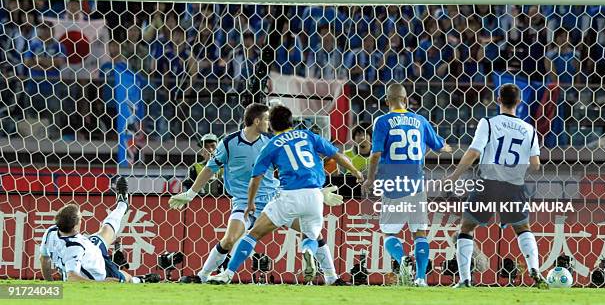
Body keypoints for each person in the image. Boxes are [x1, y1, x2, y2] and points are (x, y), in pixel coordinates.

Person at [169, 104, 346, 285]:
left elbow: (295, 166)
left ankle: (332, 278)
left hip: (275, 200)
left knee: (313, 234)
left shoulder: (271, 142)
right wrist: (191, 193)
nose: (269, 123)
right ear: (257, 121)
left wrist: (317, 191)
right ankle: (202, 276)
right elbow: (209, 169)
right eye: (267, 119)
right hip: (244, 203)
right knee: (229, 240)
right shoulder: (229, 143)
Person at [446, 83, 548, 289]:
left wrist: (454, 176)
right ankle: (534, 269)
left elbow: (474, 152)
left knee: (466, 228)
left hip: (488, 184)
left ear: (498, 99)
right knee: (522, 229)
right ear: (519, 102)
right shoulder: (529, 129)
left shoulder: (489, 123)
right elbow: (536, 165)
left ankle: (465, 280)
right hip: (514, 186)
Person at [362, 83, 450, 287]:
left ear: (386, 101)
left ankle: (402, 261)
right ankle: (421, 278)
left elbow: (375, 153)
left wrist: (370, 178)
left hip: (393, 184)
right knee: (419, 231)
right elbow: (439, 146)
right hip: (417, 184)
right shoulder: (420, 120)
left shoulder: (382, 121)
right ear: (407, 99)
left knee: (390, 232)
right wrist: (447, 147)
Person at [38, 177, 159, 283]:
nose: (81, 219)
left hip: (91, 249)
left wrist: (49, 282)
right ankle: (140, 280)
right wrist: (103, 283)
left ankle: (122, 204)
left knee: (106, 230)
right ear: (75, 226)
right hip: (99, 272)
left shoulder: (51, 232)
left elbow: (44, 259)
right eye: (80, 218)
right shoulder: (73, 248)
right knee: (126, 278)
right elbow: (72, 277)